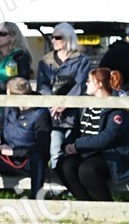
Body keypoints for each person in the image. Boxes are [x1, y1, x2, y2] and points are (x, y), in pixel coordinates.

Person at [56, 67, 129, 201]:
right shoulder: (86, 103)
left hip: (114, 154)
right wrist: (68, 145)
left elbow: (108, 138)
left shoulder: (117, 107)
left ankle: (106, 206)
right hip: (89, 152)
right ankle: (86, 205)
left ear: (99, 85)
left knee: (87, 169)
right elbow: (77, 130)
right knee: (64, 165)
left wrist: (77, 145)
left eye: (89, 81)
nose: (85, 83)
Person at [36, 22, 92, 169]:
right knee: (55, 150)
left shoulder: (82, 60)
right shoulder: (45, 61)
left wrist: (65, 104)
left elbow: (80, 84)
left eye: (57, 37)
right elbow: (42, 87)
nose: (53, 40)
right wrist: (53, 105)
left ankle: (70, 186)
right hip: (53, 114)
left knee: (73, 150)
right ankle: (56, 188)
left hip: (75, 114)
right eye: (52, 37)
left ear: (68, 38)